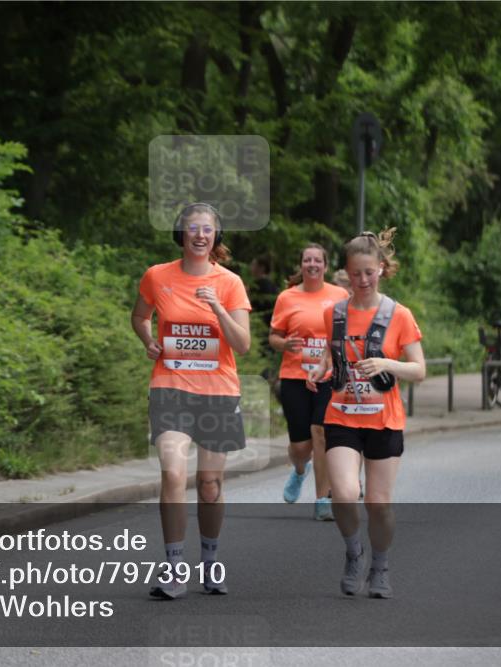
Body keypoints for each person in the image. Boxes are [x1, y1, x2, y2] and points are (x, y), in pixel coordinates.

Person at [131, 202, 251, 599]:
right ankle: (174, 566)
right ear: (181, 234)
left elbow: (243, 345)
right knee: (172, 474)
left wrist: (216, 306)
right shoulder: (157, 276)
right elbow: (140, 316)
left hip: (218, 393)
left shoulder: (230, 283)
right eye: (193, 228)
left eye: (207, 229)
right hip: (171, 388)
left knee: (209, 484)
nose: (200, 235)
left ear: (216, 236)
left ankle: (211, 562)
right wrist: (149, 340)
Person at [307, 229, 425, 599]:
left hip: (384, 420)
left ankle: (381, 565)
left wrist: (387, 363)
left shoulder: (399, 315)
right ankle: (354, 552)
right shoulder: (334, 313)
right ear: (346, 271)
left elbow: (419, 369)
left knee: (378, 503)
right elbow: (331, 355)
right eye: (355, 273)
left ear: (382, 269)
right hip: (342, 415)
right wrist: (320, 368)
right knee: (344, 493)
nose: (362, 280)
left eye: (369, 273)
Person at [269, 244, 349, 521]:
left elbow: (348, 332)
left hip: (328, 376)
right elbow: (273, 337)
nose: (312, 264)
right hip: (295, 376)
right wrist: (284, 344)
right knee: (301, 447)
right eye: (307, 260)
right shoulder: (287, 297)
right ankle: (300, 469)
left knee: (321, 432)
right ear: (301, 265)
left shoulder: (339, 295)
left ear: (325, 265)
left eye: (317, 260)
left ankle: (322, 499)